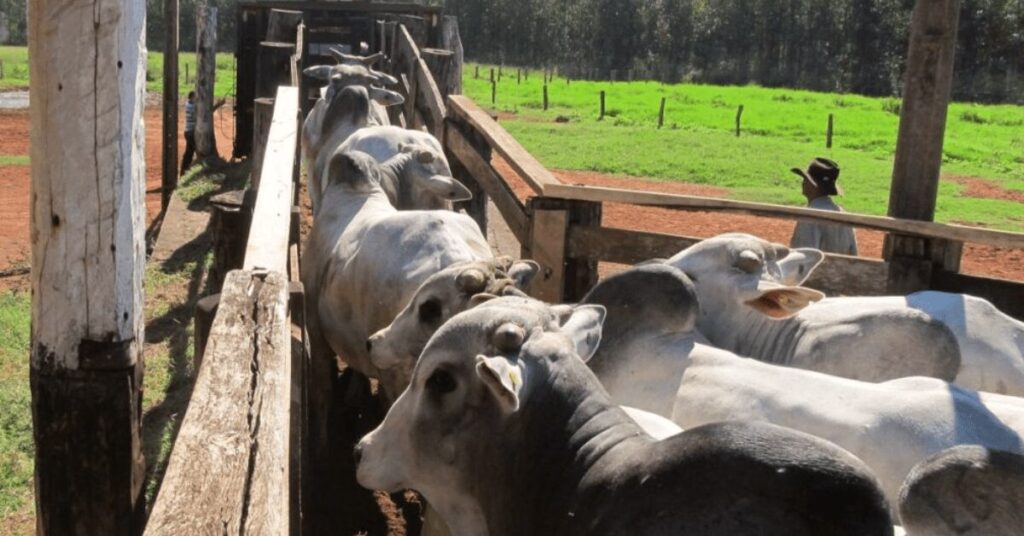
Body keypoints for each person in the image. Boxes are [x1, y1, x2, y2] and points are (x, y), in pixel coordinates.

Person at [789, 157, 858, 255]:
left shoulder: (810, 215)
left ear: (813, 185)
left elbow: (803, 256)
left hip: (820, 270)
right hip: (841, 269)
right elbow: (853, 255)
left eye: (806, 179)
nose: (803, 182)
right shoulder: (843, 213)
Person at [180, 91, 196, 176]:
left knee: (188, 154)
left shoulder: (188, 104)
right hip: (191, 133)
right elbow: (205, 113)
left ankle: (183, 173)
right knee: (195, 152)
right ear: (192, 98)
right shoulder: (193, 107)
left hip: (188, 132)